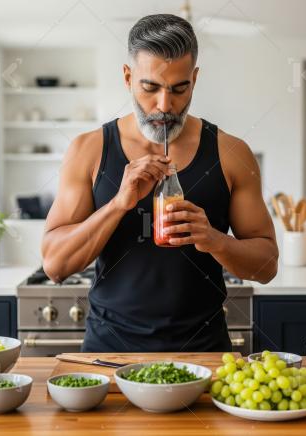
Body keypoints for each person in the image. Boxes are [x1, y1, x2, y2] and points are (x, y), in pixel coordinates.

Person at [41, 14, 278, 352]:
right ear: (128, 77)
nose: (165, 106)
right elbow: (55, 266)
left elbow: (267, 266)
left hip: (205, 354)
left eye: (179, 89)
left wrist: (214, 239)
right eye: (150, 87)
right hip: (110, 354)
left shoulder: (231, 153)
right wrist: (119, 203)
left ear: (194, 80)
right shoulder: (88, 150)